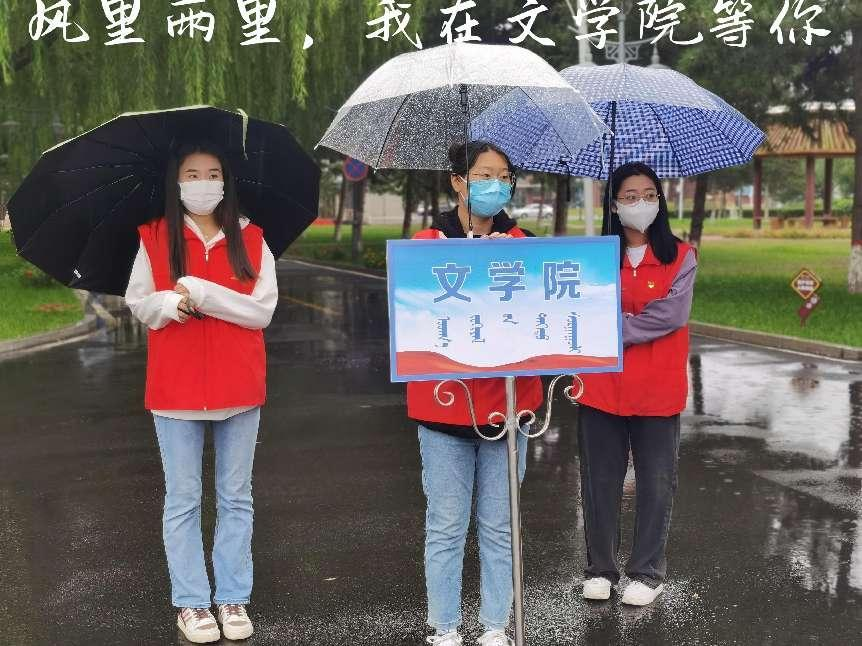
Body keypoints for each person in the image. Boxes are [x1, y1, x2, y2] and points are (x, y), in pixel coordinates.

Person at [125, 141, 277, 643]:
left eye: (213, 174)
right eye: (192, 174)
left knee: (236, 497)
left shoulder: (251, 238)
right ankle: (191, 603)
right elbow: (139, 303)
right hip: (175, 389)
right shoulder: (154, 237)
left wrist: (207, 294)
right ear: (176, 182)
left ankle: (232, 595)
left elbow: (261, 311)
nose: (203, 183)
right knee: (183, 499)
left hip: (240, 385)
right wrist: (169, 304)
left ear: (226, 182)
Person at [410, 141, 543, 646]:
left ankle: (495, 626)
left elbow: (543, 320)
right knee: (446, 526)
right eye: (485, 174)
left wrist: (508, 263)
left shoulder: (524, 243)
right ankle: (444, 627)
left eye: (504, 176)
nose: (497, 184)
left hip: (509, 409)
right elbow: (413, 318)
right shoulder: (426, 244)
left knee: (500, 526)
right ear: (458, 181)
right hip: (444, 408)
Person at [575, 161, 697, 607]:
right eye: (629, 196)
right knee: (599, 481)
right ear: (613, 205)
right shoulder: (593, 258)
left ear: (660, 201)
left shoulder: (680, 256)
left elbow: (671, 314)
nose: (640, 203)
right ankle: (600, 569)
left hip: (657, 389)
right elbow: (579, 309)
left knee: (656, 482)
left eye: (649, 195)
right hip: (600, 386)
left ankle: (647, 571)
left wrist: (613, 328)